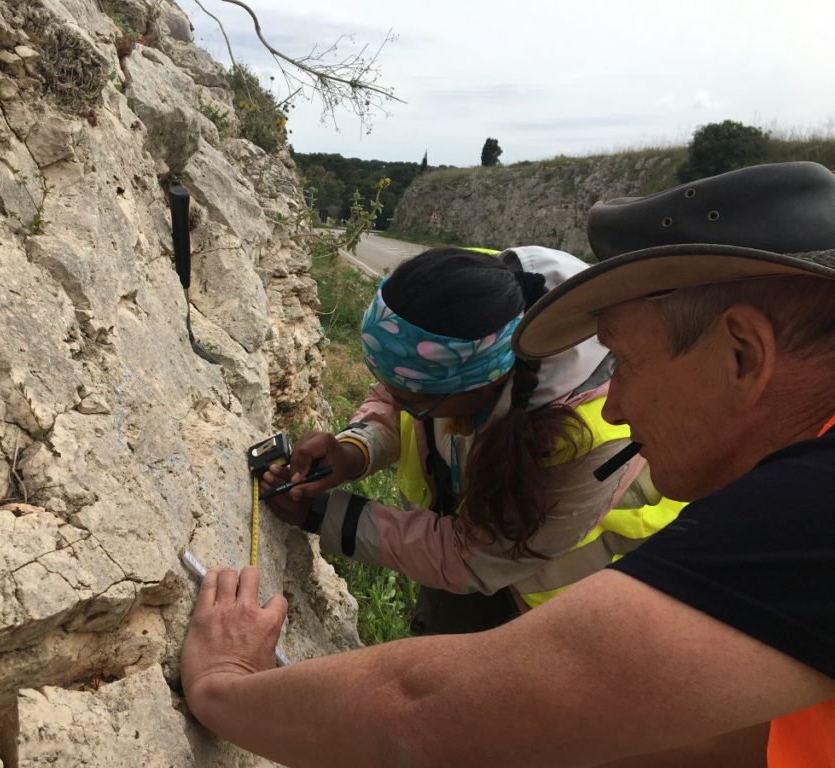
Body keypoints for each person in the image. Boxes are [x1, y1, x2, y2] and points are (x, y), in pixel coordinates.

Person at [180, 161, 835, 767]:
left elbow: (427, 711)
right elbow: (718, 738)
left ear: (743, 354)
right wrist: (357, 448)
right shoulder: (486, 303)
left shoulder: (804, 512)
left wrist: (222, 689)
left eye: (628, 365)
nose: (617, 408)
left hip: (551, 597)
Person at [263, 245, 681, 634]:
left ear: (485, 384)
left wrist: (321, 514)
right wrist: (355, 449)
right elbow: (399, 393)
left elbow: (472, 557)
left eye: (414, 403)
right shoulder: (463, 296)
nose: (398, 404)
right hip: (466, 558)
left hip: (552, 604)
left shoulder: (590, 437)